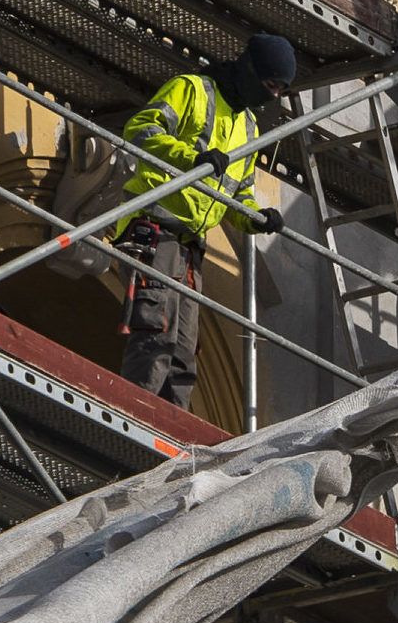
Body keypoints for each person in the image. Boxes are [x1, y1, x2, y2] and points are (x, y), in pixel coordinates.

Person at [113, 33, 294, 406]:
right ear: (250, 70)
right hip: (156, 228)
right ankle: (135, 422)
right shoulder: (193, 90)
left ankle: (170, 444)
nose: (273, 95)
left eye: (281, 89)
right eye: (271, 85)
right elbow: (142, 130)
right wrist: (190, 158)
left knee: (183, 356)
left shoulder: (249, 128)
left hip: (190, 248)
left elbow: (236, 195)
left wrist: (256, 218)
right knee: (155, 336)